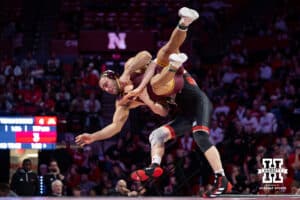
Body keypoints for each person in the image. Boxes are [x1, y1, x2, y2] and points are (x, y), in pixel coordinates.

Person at [75, 6, 199, 145]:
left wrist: (127, 73)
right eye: (104, 90)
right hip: (169, 90)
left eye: (106, 85)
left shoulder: (129, 67)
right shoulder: (123, 101)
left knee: (166, 50)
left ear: (113, 76)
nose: (107, 89)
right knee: (156, 84)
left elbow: (145, 55)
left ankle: (185, 22)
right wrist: (93, 137)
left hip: (165, 71)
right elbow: (115, 127)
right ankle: (173, 65)